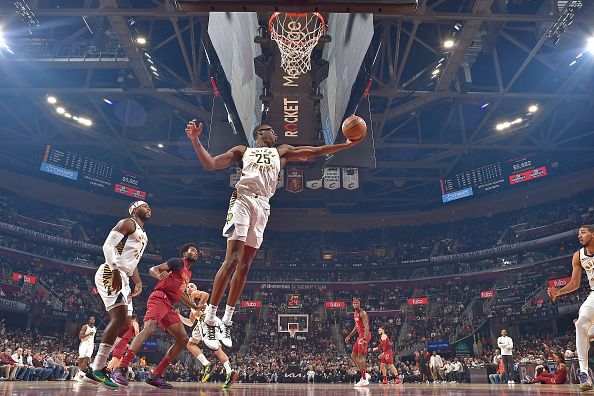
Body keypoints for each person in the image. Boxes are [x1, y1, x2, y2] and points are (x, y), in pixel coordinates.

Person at [185, 120, 361, 350]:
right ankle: (210, 319)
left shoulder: (282, 151)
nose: (277, 134)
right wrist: (196, 140)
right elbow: (210, 164)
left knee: (245, 265)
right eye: (273, 130)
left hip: (264, 206)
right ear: (260, 132)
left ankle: (226, 320)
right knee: (232, 260)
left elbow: (316, 151)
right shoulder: (243, 150)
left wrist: (346, 145)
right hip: (243, 199)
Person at [112, 243, 200, 389]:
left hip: (169, 305)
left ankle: (156, 375)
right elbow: (153, 269)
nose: (195, 253)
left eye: (197, 252)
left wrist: (194, 306)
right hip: (159, 298)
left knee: (183, 339)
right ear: (184, 253)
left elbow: (181, 293)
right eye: (192, 251)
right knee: (149, 329)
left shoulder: (188, 273)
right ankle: (120, 368)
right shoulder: (177, 262)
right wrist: (159, 275)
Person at [86, 201, 150, 387]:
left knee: (125, 325)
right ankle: (96, 368)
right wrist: (114, 270)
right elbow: (108, 246)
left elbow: (131, 261)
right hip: (111, 271)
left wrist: (137, 281)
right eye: (145, 206)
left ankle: (100, 366)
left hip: (124, 276)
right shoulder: (128, 223)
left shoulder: (143, 234)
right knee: (119, 317)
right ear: (135, 209)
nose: (149, 209)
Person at [548, 225, 594, 391]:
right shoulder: (578, 256)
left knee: (588, 329)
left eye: (583, 232)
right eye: (578, 233)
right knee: (581, 322)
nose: (579, 236)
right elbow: (575, 283)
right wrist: (558, 292)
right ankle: (584, 374)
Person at [177, 283, 237, 389]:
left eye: (192, 286)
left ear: (196, 288)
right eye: (188, 287)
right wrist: (179, 316)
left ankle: (220, 368)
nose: (189, 288)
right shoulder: (191, 304)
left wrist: (198, 307)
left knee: (216, 349)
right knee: (191, 344)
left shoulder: (194, 294)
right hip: (202, 323)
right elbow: (190, 323)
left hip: (207, 322)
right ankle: (221, 369)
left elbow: (205, 295)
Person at [344, 298, 371, 387]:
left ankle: (363, 379)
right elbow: (356, 327)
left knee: (360, 356)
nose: (355, 304)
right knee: (353, 355)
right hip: (360, 336)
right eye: (354, 303)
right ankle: (364, 374)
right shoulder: (355, 314)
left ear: (359, 304)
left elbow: (366, 326)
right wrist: (349, 336)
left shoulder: (362, 313)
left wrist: (365, 338)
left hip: (364, 335)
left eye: (356, 303)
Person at [75, 316, 96, 381]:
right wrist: (88, 334)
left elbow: (93, 337)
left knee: (87, 358)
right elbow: (80, 337)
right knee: (82, 357)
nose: (93, 320)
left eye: (94, 319)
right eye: (91, 319)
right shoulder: (85, 326)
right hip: (84, 343)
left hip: (91, 344)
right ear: (89, 320)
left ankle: (80, 373)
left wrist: (94, 343)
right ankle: (78, 373)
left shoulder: (95, 328)